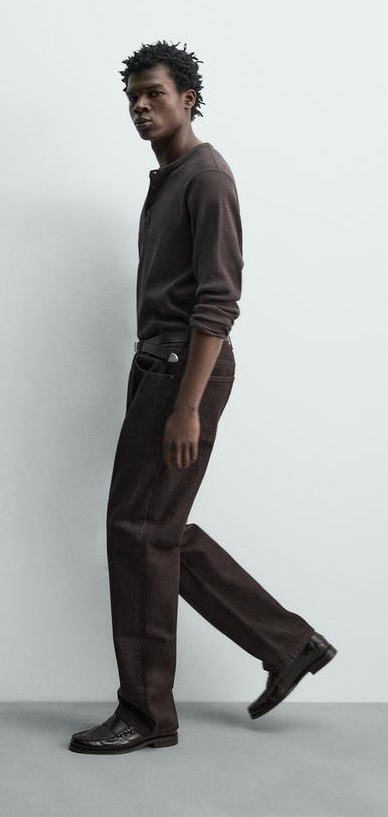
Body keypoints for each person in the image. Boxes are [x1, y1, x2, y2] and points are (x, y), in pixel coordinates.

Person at [69, 40, 336, 755]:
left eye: (154, 93)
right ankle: (288, 644)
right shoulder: (169, 177)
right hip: (157, 365)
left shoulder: (207, 178)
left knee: (138, 531)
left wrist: (186, 405)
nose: (140, 106)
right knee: (153, 528)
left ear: (187, 98)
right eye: (132, 97)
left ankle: (146, 713)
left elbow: (219, 302)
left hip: (183, 370)